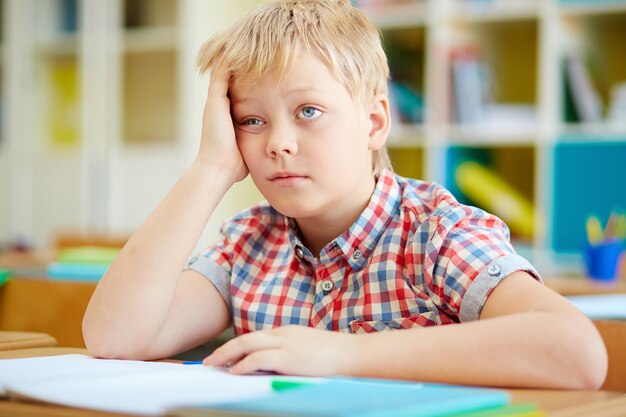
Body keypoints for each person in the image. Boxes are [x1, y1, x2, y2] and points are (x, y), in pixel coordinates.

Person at [83, 0, 607, 389]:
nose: (278, 144)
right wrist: (211, 166)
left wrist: (340, 353)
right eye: (251, 120)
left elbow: (576, 352)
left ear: (375, 122)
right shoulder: (246, 244)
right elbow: (115, 338)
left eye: (308, 111)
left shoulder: (438, 233)